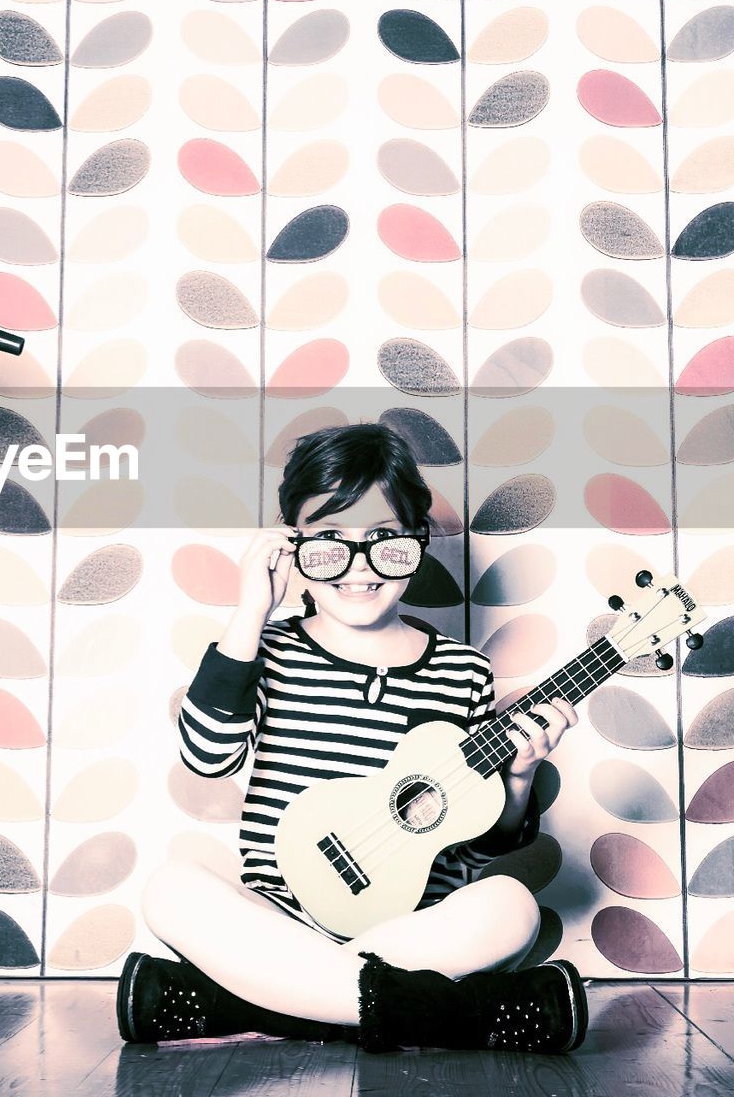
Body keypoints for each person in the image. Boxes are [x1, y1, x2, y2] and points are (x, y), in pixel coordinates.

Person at [116, 423, 587, 1053]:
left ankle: (247, 1003)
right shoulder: (271, 649)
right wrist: (249, 612)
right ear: (291, 546)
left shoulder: (463, 671)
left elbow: (469, 849)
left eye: (384, 543)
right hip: (279, 921)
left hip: (411, 928)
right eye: (329, 542)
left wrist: (520, 778)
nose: (358, 568)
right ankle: (453, 1016)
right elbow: (207, 756)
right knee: (171, 889)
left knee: (510, 906)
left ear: (418, 542)